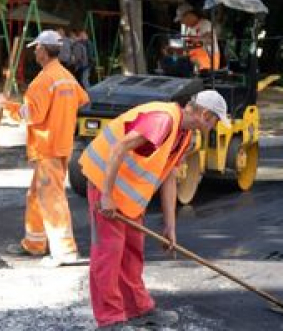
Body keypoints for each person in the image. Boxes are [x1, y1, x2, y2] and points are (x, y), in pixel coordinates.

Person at [78, 89, 230, 329]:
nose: (214, 127)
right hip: (104, 183)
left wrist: (170, 225)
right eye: (216, 121)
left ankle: (137, 309)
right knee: (109, 254)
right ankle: (110, 319)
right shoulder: (163, 120)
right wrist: (106, 195)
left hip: (128, 195)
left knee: (132, 252)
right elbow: (118, 148)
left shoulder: (185, 135)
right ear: (206, 114)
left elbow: (169, 176)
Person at [0, 30, 90, 267]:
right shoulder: (66, 76)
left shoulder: (42, 80)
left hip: (47, 144)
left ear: (43, 50)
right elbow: (82, 99)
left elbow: (32, 115)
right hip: (60, 143)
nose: (35, 51)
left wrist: (6, 106)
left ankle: (65, 251)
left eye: (36, 47)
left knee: (52, 197)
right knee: (37, 195)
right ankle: (35, 243)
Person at [174, 3, 220, 72]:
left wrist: (195, 40)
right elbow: (188, 47)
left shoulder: (205, 24)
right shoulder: (189, 29)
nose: (181, 23)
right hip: (192, 64)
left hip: (207, 66)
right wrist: (175, 49)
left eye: (181, 19)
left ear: (189, 15)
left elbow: (209, 40)